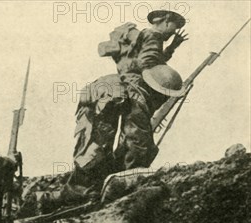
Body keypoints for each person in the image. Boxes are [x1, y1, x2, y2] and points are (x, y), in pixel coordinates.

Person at [56, 65, 185, 204]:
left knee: (99, 156)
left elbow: (129, 136)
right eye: (166, 97)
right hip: (100, 105)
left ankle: (82, 192)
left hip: (101, 100)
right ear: (159, 93)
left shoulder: (136, 86)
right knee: (93, 155)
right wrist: (132, 178)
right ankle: (72, 197)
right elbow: (137, 143)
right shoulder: (139, 100)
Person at [99, 9, 188, 75]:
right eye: (175, 27)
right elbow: (148, 63)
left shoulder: (147, 34)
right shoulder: (154, 36)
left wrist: (172, 46)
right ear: (167, 22)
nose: (174, 32)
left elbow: (155, 59)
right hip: (136, 79)